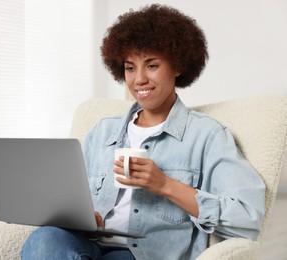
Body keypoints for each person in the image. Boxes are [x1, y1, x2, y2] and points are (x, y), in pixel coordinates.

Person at [21, 4, 265, 259]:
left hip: (144, 255)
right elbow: (69, 198)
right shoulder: (102, 132)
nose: (139, 79)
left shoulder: (207, 136)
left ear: (177, 66)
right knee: (44, 239)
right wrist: (85, 219)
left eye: (152, 65)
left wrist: (165, 185)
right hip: (89, 244)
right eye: (129, 67)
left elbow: (247, 216)